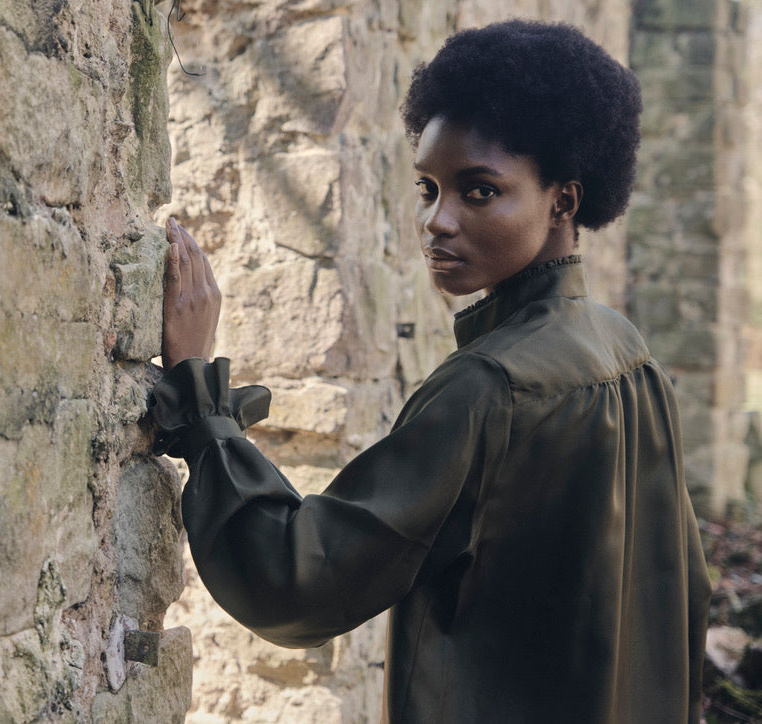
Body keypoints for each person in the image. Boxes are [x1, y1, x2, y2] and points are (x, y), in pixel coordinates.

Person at [150, 19, 710, 723]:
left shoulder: (488, 389)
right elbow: (682, 594)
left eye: (478, 191)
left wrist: (200, 398)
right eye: (427, 189)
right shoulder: (629, 354)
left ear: (564, 201)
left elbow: (297, 582)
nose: (437, 222)